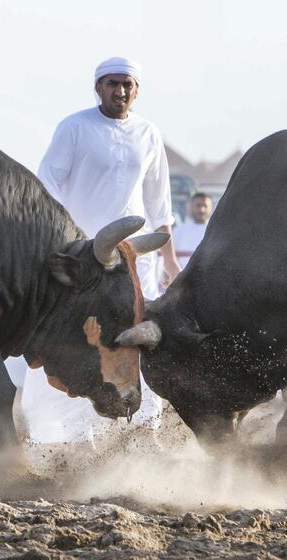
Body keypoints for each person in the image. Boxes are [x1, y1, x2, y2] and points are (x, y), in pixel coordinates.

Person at [21, 56, 182, 445]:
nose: (120, 91)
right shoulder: (74, 128)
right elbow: (47, 189)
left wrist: (169, 259)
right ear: (98, 87)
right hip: (83, 267)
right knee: (74, 343)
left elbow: (159, 205)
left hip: (132, 266)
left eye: (127, 84)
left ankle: (143, 432)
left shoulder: (148, 133)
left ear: (137, 90)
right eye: (112, 83)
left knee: (136, 344)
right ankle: (63, 437)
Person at [173, 192, 213, 269]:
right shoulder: (179, 230)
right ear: (191, 207)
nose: (202, 210)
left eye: (205, 206)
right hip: (183, 276)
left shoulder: (215, 231)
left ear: (211, 208)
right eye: (198, 205)